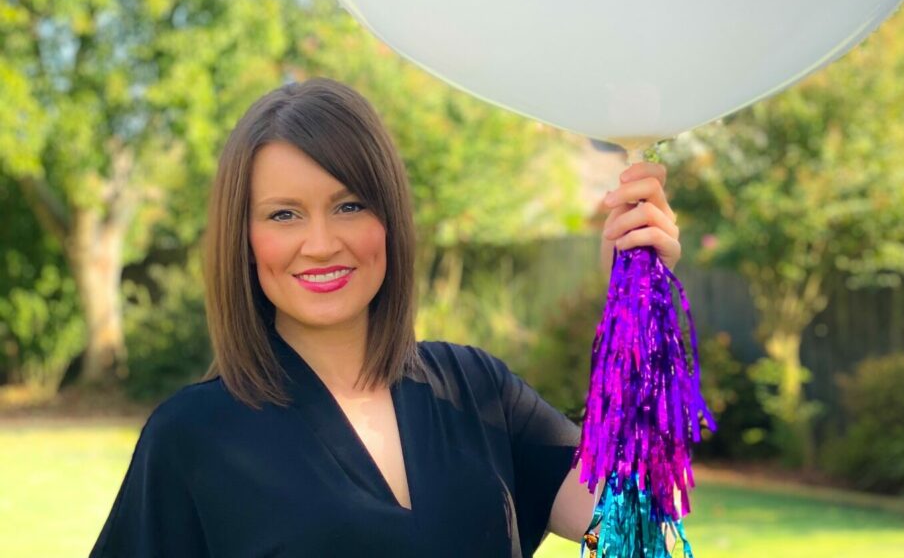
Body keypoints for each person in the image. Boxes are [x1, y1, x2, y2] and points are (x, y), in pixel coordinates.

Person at [90, 78, 682, 557]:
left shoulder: (477, 391)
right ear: (243, 240)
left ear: (389, 219)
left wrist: (635, 299)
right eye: (284, 215)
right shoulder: (193, 436)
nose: (321, 244)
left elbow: (636, 534)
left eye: (349, 205)